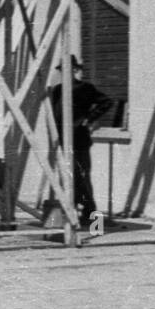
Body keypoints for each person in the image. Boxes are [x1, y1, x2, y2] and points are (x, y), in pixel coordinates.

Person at [48, 57, 113, 224]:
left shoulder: (85, 88)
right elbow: (54, 114)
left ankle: (94, 221)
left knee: (83, 178)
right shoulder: (57, 90)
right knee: (70, 179)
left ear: (75, 70)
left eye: (69, 69)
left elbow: (106, 102)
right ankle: (76, 215)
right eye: (63, 70)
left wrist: (89, 119)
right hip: (63, 140)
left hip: (79, 140)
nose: (66, 73)